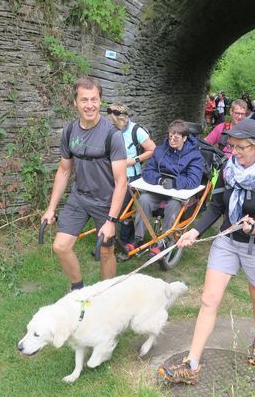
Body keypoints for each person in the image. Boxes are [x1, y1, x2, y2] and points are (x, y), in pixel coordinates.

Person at [157, 119, 255, 384]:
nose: (235, 152)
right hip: (228, 241)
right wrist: (194, 231)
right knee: (209, 299)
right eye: (232, 146)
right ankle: (192, 365)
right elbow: (216, 206)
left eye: (241, 147)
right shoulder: (227, 170)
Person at [41, 77, 128, 290]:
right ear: (75, 103)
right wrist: (51, 208)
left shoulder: (112, 135)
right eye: (84, 100)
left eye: (94, 100)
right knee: (61, 246)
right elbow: (63, 170)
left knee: (106, 250)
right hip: (79, 197)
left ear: (100, 102)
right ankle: (78, 289)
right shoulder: (70, 131)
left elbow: (121, 181)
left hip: (106, 201)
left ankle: (108, 294)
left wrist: (110, 220)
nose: (90, 105)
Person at [128, 119, 205, 256]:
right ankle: (138, 238)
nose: (172, 140)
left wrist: (174, 183)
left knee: (173, 205)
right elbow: (147, 171)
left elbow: (194, 179)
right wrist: (159, 179)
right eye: (170, 136)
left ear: (185, 138)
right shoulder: (160, 150)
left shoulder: (194, 155)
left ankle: (164, 240)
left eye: (176, 137)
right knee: (144, 199)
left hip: (179, 194)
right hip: (159, 189)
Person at [106, 103, 156, 251]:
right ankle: (109, 239)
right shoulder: (109, 128)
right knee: (111, 208)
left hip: (131, 177)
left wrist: (133, 160)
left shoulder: (136, 130)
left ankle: (125, 243)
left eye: (120, 123)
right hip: (111, 174)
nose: (117, 126)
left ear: (125, 118)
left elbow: (152, 149)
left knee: (123, 210)